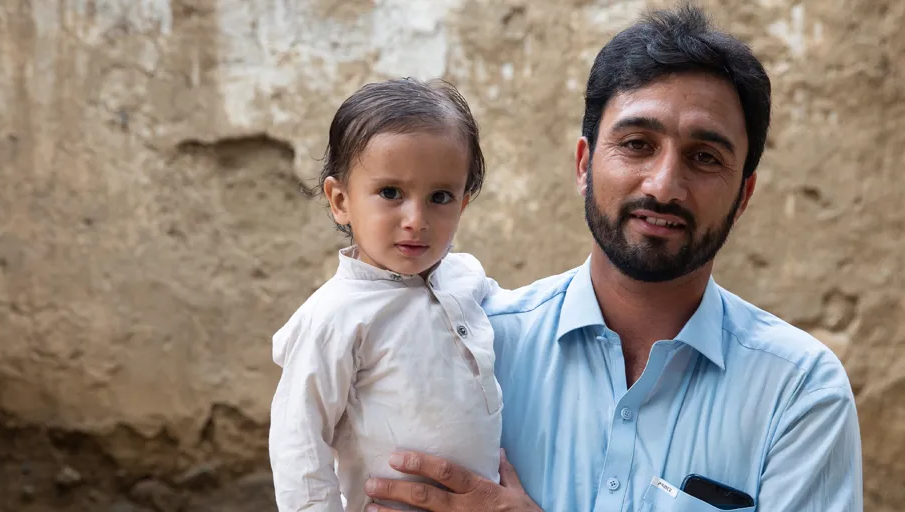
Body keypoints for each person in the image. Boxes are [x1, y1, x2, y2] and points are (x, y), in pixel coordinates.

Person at [361, 5, 864, 512]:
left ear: (743, 196)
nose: (664, 186)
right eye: (637, 144)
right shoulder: (474, 348)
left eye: (704, 157)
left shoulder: (798, 391)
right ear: (584, 165)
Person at [268, 78, 504, 511]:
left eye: (440, 197)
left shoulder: (465, 277)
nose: (416, 219)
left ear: (463, 204)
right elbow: (298, 445)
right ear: (341, 200)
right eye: (391, 193)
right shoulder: (335, 316)